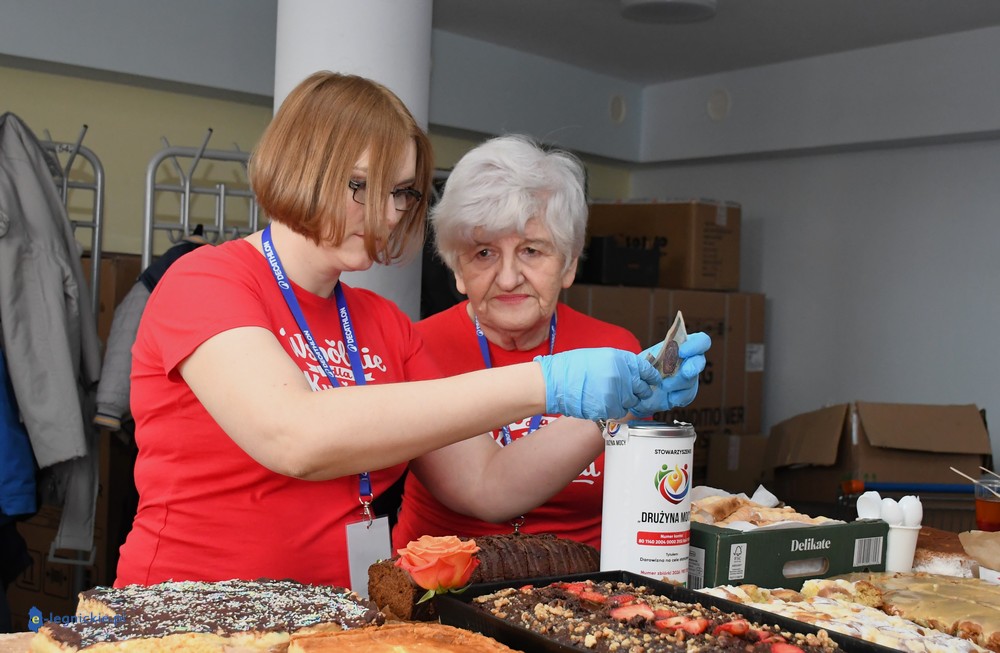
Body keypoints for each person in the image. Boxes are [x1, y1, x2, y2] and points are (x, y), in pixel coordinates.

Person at [114, 72, 710, 589]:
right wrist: (546, 382)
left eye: (400, 193)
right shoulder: (207, 280)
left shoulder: (382, 324)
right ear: (299, 167)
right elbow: (294, 437)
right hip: (190, 617)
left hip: (337, 621)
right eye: (361, 185)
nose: (388, 213)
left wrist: (615, 403)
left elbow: (487, 485)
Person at [391, 135, 709, 551]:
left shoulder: (614, 349)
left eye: (531, 250)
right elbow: (484, 489)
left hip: (584, 581)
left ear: (569, 264)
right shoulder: (417, 348)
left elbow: (643, 499)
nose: (508, 278)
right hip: (443, 580)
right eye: (484, 253)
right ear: (457, 269)